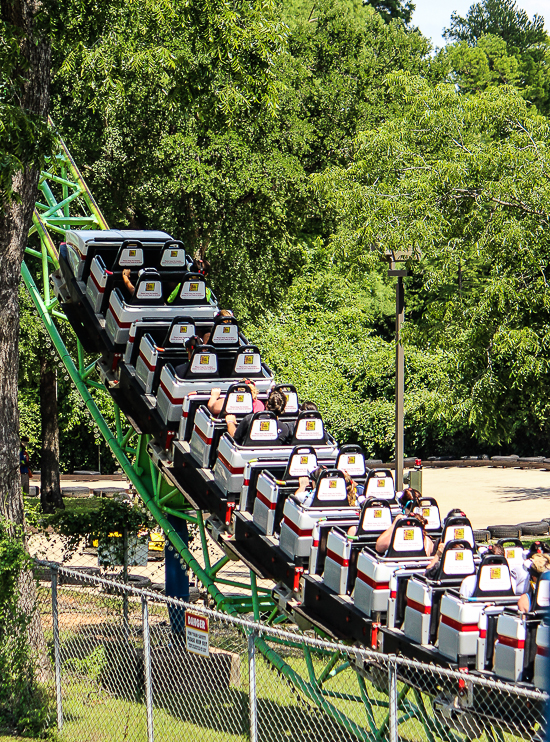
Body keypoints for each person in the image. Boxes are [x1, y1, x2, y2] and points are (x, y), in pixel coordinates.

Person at [375, 489, 435, 556]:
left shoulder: (400, 526)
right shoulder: (428, 541)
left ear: (402, 506)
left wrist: (395, 523)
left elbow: (379, 547)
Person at [226, 388, 291, 446]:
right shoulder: (284, 429)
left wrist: (230, 422)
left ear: (266, 403)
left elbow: (235, 437)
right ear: (283, 408)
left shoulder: (250, 419)